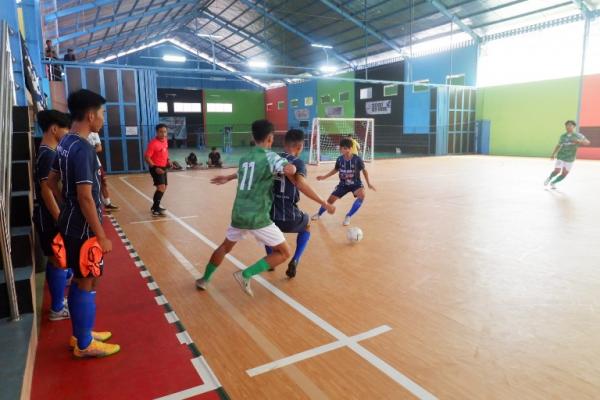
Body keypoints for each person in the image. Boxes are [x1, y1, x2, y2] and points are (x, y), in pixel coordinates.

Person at [196, 120, 306, 297]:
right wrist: (291, 166)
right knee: (285, 252)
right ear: (270, 138)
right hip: (258, 218)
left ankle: (204, 279)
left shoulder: (245, 158)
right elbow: (290, 169)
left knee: (224, 247)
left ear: (253, 137)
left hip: (239, 214)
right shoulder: (271, 157)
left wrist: (227, 178)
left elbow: (241, 173)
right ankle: (246, 274)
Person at [47, 89, 118, 358]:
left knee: (82, 279)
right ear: (90, 115)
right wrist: (101, 236)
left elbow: (52, 182)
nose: (102, 118)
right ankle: (84, 344)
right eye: (101, 113)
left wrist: (67, 208)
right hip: (85, 230)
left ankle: (82, 333)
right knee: (86, 281)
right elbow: (86, 196)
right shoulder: (84, 149)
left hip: (70, 223)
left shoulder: (64, 143)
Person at [267, 129, 335, 278]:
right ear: (300, 146)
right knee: (307, 225)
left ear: (284, 143)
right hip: (288, 218)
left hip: (266, 217)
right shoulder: (297, 162)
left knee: (268, 233)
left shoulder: (271, 158)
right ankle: (296, 259)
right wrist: (324, 203)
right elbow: (301, 185)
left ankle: (270, 260)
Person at [33, 110, 71, 321]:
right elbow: (46, 190)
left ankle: (57, 302)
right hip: (49, 217)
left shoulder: (49, 150)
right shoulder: (48, 154)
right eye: (65, 130)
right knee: (58, 260)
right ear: (54, 129)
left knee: (54, 259)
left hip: (48, 215)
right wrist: (59, 217)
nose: (66, 134)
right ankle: (57, 308)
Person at [312, 138, 375, 226]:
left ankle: (348, 216)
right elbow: (335, 170)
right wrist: (324, 177)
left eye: (345, 148)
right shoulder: (339, 159)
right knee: (330, 200)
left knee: (362, 195)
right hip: (343, 185)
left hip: (355, 184)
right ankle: (319, 214)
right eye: (341, 148)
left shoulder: (357, 159)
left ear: (350, 149)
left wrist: (368, 183)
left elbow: (364, 171)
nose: (342, 150)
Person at [545, 120, 590, 189]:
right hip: (561, 156)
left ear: (574, 126)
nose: (568, 127)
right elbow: (558, 145)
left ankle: (553, 182)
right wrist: (553, 154)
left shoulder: (578, 135)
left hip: (570, 158)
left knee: (564, 173)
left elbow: (587, 143)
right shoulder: (563, 136)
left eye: (570, 125)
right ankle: (549, 178)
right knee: (557, 170)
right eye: (567, 125)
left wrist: (579, 141)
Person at [87, 131, 119, 210]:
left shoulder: (94, 133)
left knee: (103, 182)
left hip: (96, 162)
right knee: (89, 184)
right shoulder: (80, 133)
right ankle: (92, 204)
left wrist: (88, 152)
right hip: (85, 163)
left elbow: (99, 148)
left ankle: (107, 203)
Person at [145, 124, 170, 216]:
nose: (163, 134)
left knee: (164, 187)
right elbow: (147, 157)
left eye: (165, 132)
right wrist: (155, 168)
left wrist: (168, 160)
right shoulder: (153, 143)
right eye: (161, 132)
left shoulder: (165, 141)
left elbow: (165, 151)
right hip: (155, 168)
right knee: (161, 187)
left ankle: (155, 206)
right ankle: (156, 209)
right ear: (157, 132)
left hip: (163, 167)